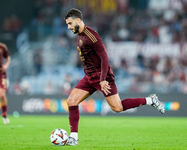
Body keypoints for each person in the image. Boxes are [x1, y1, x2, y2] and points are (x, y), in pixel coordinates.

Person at [64, 8, 165, 146]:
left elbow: (104, 57)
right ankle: (73, 138)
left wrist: (103, 79)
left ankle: (150, 100)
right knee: (71, 101)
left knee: (117, 108)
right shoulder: (80, 35)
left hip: (102, 77)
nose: (69, 27)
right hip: (89, 77)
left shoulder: (91, 36)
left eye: (70, 24)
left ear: (78, 20)